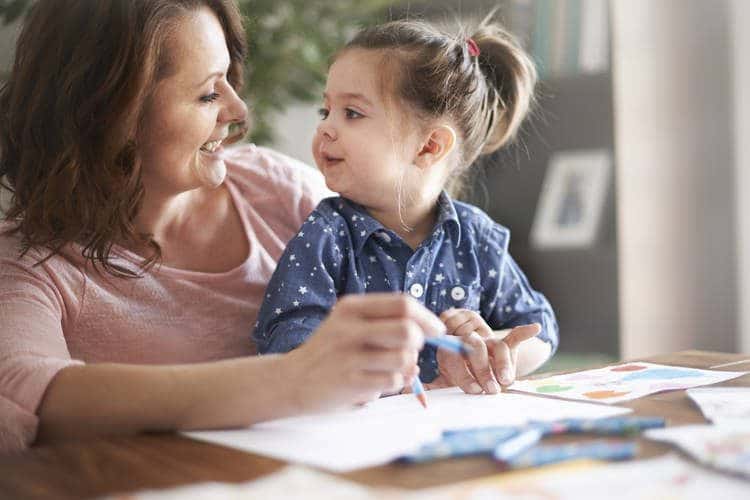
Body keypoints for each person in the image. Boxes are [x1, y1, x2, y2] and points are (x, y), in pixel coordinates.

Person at [0, 0, 450, 453]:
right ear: (113, 114)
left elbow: (418, 291)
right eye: (208, 94)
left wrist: (458, 335)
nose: (238, 109)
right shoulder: (27, 264)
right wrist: (293, 379)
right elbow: (28, 392)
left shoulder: (280, 193)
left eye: (228, 79)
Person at [253, 17, 559, 395]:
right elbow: (286, 340)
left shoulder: (477, 238)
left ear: (430, 146)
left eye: (352, 113)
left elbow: (540, 329)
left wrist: (494, 351)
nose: (325, 128)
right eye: (325, 111)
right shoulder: (327, 234)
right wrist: (359, 364)